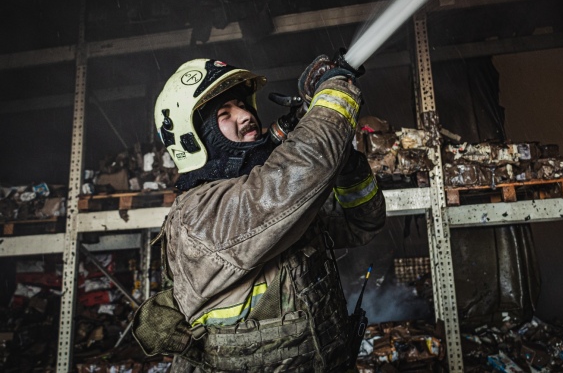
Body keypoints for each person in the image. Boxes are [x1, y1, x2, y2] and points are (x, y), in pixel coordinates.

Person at [133, 56, 386, 372]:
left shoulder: (267, 198)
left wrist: (345, 159)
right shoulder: (201, 212)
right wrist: (333, 96)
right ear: (192, 139)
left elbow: (360, 224)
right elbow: (302, 169)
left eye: (242, 105)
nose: (245, 115)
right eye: (225, 114)